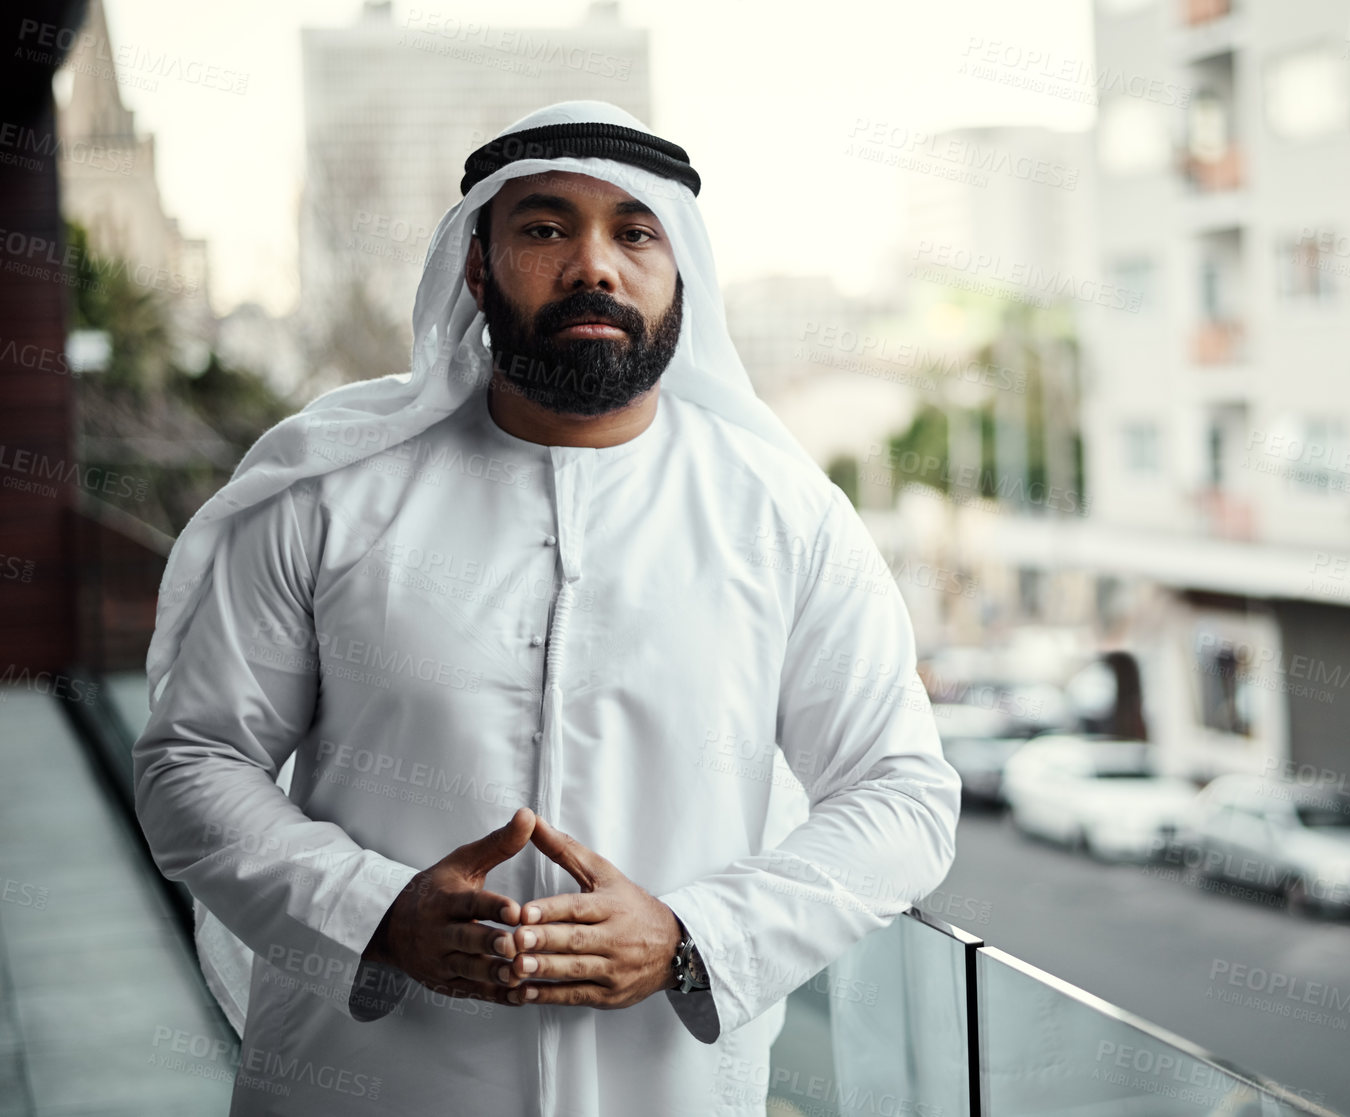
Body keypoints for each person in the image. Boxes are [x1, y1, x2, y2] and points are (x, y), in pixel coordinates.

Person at [132, 100, 961, 1116]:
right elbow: (192, 761)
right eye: (543, 227)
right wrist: (378, 912)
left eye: (634, 231)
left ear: (678, 270)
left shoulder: (784, 517)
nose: (593, 266)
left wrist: (693, 936)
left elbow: (902, 793)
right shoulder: (330, 494)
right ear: (477, 268)